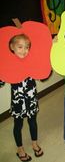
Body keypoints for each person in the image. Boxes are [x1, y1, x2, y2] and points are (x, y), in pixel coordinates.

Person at [0, 34, 44, 162]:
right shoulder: (8, 64)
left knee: (32, 122)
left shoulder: (31, 61)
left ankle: (34, 143)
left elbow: (42, 75)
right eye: (20, 47)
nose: (24, 51)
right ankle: (19, 148)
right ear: (12, 47)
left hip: (31, 100)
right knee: (17, 125)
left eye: (27, 47)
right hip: (18, 101)